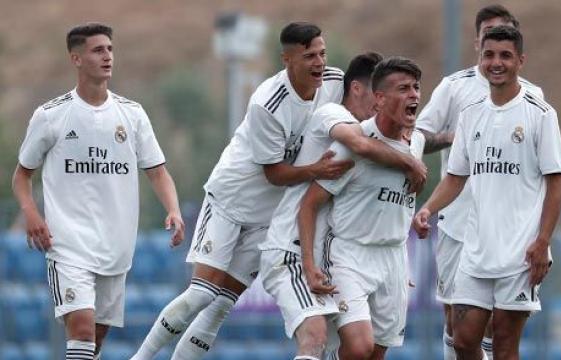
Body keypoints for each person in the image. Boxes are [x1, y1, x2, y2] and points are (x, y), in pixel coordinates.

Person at [130, 22, 419, 360]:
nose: (319, 63)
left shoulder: (334, 83)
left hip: (269, 217)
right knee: (201, 294)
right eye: (309, 56)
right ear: (287, 59)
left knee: (221, 304)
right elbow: (274, 174)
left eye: (322, 54)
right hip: (231, 201)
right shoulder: (268, 103)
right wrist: (407, 164)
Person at [12, 23, 185, 360]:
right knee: (81, 329)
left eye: (110, 49)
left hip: (116, 247)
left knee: (94, 341)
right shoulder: (51, 116)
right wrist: (32, 213)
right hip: (67, 243)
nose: (107, 56)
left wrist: (173, 209)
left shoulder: (132, 114)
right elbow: (21, 175)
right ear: (76, 58)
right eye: (97, 50)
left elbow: (158, 172)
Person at [413, 26, 561, 360]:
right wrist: (428, 209)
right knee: (463, 339)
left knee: (503, 344)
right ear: (480, 58)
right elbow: (455, 177)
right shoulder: (470, 115)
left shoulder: (540, 114)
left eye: (505, 56)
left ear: (520, 61)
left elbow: (557, 183)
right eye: (489, 55)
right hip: (475, 250)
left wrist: (542, 243)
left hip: (519, 253)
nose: (496, 63)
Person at [260, 52, 425, 360]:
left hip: (393, 258)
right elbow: (308, 206)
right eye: (403, 88)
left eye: (416, 87)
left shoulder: (418, 142)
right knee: (358, 346)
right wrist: (309, 265)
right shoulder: (353, 144)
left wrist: (415, 225)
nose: (413, 95)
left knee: (375, 353)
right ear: (379, 97)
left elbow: (396, 203)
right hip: (350, 255)